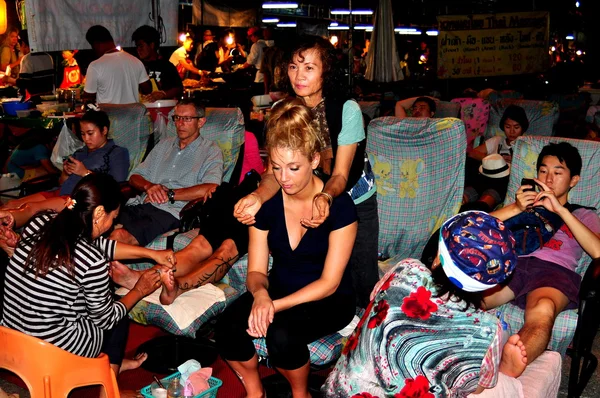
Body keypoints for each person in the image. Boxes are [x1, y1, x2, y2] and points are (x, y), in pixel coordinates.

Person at [216, 98, 358, 398]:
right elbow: (256, 270)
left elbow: (329, 283)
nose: (284, 178)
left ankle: (300, 393)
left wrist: (272, 305)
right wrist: (261, 294)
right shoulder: (267, 205)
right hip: (280, 288)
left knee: (281, 334)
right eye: (277, 167)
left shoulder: (339, 207)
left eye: (294, 168)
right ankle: (256, 392)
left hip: (328, 299)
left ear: (315, 160)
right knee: (227, 325)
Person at [235, 34, 379, 309]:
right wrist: (258, 197)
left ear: (326, 72)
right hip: (302, 195)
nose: (298, 76)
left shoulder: (345, 110)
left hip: (352, 198)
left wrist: (325, 198)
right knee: (309, 274)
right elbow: (272, 173)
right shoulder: (283, 110)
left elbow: (339, 175)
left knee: (362, 280)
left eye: (309, 67)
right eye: (293, 66)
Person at [323, 211, 525, 396]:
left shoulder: (406, 269)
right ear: (493, 284)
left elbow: (373, 301)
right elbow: (477, 387)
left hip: (339, 391)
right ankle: (505, 369)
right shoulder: (489, 331)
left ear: (438, 256)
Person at [0, 173, 177, 378]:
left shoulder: (41, 222)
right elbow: (106, 319)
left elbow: (96, 245)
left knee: (79, 297)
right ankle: (108, 384)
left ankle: (114, 363)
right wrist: (139, 290)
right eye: (113, 217)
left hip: (10, 341)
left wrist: (151, 254)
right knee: (118, 312)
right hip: (49, 352)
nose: (112, 224)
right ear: (100, 213)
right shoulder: (93, 261)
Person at [483, 142, 600, 378]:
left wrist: (561, 211)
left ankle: (510, 368)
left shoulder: (583, 214)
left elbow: (598, 250)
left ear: (573, 180)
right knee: (474, 297)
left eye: (558, 172)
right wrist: (516, 207)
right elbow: (479, 227)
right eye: (543, 171)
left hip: (554, 272)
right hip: (514, 264)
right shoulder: (524, 206)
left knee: (543, 308)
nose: (548, 178)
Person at [109, 99, 222, 247]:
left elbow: (211, 187)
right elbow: (134, 177)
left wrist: (169, 194)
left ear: (200, 122)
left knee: (118, 236)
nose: (180, 123)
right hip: (141, 204)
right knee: (96, 226)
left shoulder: (211, 151)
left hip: (172, 212)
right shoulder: (163, 145)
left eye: (187, 118)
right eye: (177, 118)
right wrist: (149, 186)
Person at [2, 110, 130, 209]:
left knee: (28, 209)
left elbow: (116, 188)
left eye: (90, 133)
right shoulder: (80, 152)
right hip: (60, 192)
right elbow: (62, 182)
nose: (86, 139)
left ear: (104, 130)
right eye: (82, 134)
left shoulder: (117, 153)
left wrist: (85, 173)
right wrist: (65, 172)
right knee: (13, 204)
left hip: (79, 199)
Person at [463, 105, 529, 211]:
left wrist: (514, 161)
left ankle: (482, 207)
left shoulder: (526, 144)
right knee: (470, 164)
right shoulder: (498, 140)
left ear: (523, 128)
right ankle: (461, 201)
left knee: (493, 191)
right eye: (508, 127)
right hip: (484, 177)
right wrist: (495, 159)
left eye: (516, 127)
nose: (512, 131)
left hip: (503, 182)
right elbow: (472, 153)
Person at [83, 25, 152, 104]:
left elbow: (88, 98)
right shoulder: (136, 61)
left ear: (96, 44)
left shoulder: (95, 66)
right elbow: (148, 90)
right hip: (133, 115)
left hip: (108, 115)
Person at [132, 25, 183, 102]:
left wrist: (163, 94)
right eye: (137, 46)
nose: (138, 49)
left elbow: (178, 89)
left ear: (152, 45)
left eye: (141, 46)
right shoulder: (136, 65)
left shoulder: (166, 66)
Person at [8, 30, 54, 100]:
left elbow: (23, 83)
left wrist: (8, 79)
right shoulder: (48, 56)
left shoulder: (27, 58)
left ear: (23, 44)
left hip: (34, 99)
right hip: (49, 98)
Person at [242, 27, 268, 95]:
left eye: (251, 37)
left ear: (254, 35)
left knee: (258, 94)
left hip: (260, 74)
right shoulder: (265, 44)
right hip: (267, 75)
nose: (250, 39)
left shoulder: (256, 45)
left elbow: (250, 61)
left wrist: (241, 67)